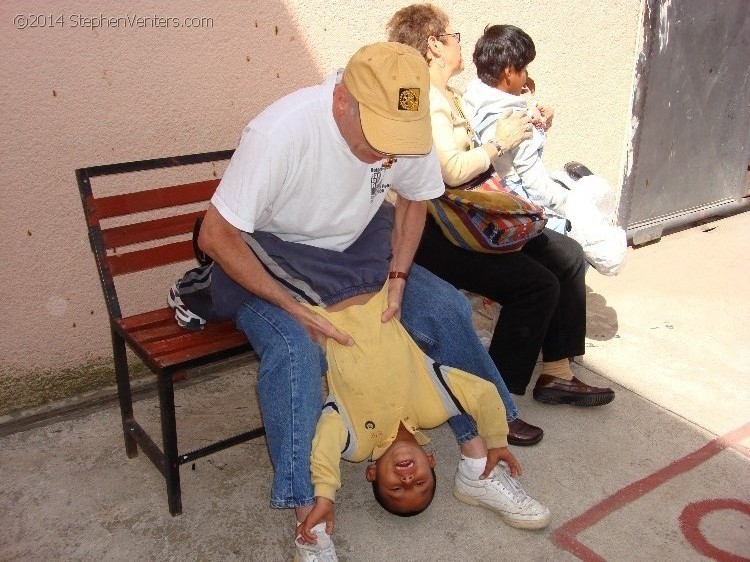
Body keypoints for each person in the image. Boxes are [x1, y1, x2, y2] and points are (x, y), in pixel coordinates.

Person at [196, 41, 542, 561]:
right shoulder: (281, 133)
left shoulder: (406, 121)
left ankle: (477, 468)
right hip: (269, 255)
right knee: (296, 351)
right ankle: (309, 516)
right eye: (379, 140)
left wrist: (399, 276)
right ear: (342, 101)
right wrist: (295, 308)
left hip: (359, 250)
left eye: (398, 142)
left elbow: (415, 201)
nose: (389, 155)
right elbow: (215, 237)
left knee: (445, 308)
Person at [386, 5, 616, 403]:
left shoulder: (449, 93)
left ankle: (557, 374)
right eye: (453, 37)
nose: (460, 43)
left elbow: (485, 130)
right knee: (536, 286)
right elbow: (451, 170)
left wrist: (532, 122)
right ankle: (497, 402)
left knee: (567, 255)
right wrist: (500, 141)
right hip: (443, 230)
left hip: (471, 216)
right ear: (435, 46)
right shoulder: (422, 98)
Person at [294, 284, 550, 555]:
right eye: (419, 482)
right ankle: (477, 466)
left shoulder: (355, 441)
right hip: (374, 286)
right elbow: (483, 393)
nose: (407, 480)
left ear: (372, 473)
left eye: (395, 487)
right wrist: (496, 442)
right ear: (430, 461)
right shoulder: (433, 408)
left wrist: (325, 495)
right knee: (449, 308)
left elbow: (323, 447)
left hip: (319, 300)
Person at [462, 24, 569, 234]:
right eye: (524, 69)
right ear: (509, 71)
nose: (527, 75)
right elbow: (538, 190)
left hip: (490, 205)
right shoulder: (515, 123)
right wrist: (573, 203)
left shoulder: (472, 99)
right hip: (521, 213)